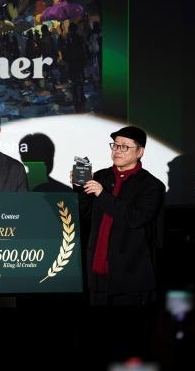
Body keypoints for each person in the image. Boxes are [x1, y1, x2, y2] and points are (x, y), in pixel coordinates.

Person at [73, 126, 165, 306]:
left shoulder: (151, 185)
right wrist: (80, 188)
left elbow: (135, 219)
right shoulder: (101, 176)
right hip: (97, 272)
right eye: (115, 145)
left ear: (140, 152)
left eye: (124, 146)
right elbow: (86, 213)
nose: (117, 150)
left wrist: (102, 194)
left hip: (130, 275)